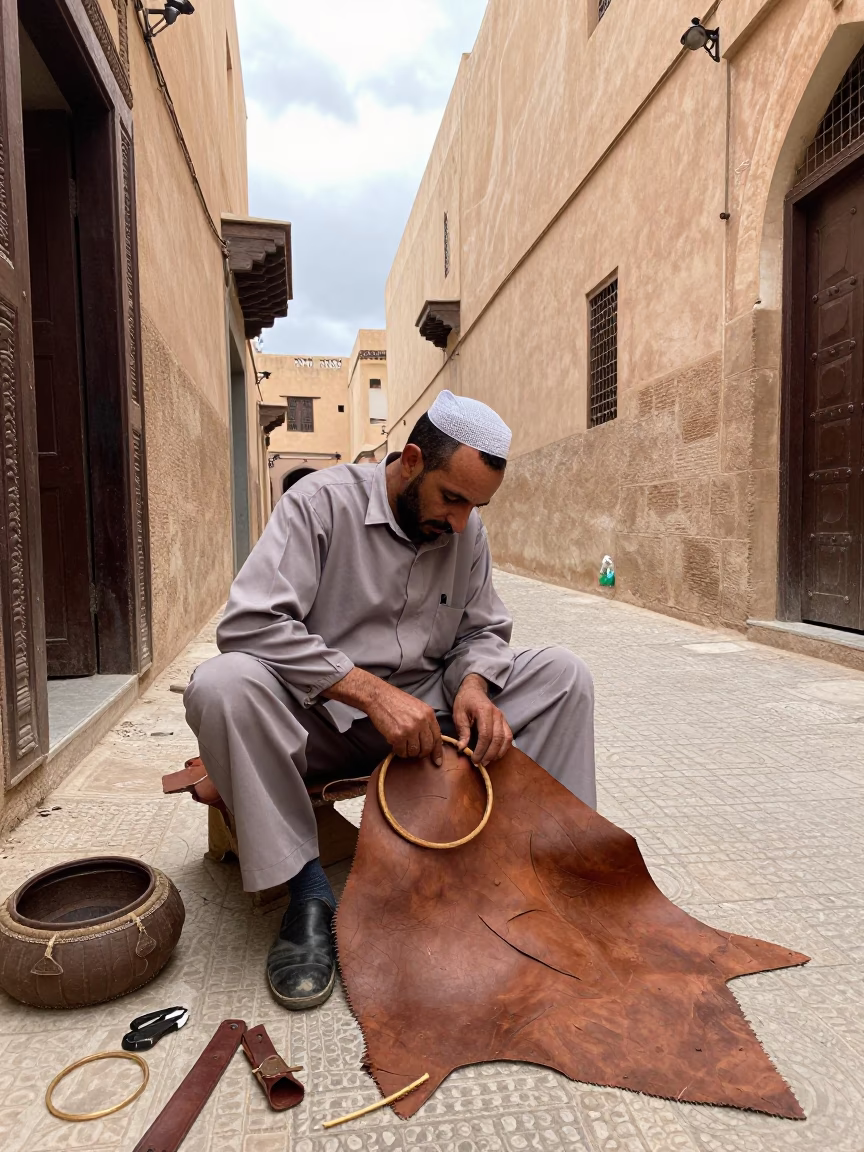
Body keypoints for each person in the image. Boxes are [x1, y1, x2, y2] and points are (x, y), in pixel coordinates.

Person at [185, 390, 596, 1010]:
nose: (460, 522)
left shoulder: (466, 530)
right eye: (452, 499)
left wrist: (476, 687)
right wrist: (368, 692)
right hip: (320, 718)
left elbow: (481, 630)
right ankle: (308, 896)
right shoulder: (320, 502)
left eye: (475, 507)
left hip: (431, 718)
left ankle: (543, 871)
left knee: (564, 674)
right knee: (222, 684)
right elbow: (250, 624)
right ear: (410, 461)